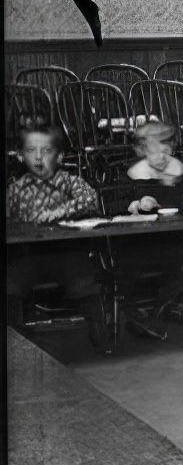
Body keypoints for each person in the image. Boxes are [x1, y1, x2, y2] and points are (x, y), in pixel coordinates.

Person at [107, 120, 183, 340]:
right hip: (136, 245)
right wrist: (137, 203)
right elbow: (111, 205)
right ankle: (133, 313)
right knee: (124, 267)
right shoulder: (131, 174)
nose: (161, 155)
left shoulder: (178, 172)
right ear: (141, 150)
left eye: (166, 149)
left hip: (174, 242)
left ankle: (157, 311)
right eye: (153, 149)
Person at [5, 122, 104, 340]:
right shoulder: (16, 190)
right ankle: (15, 339)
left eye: (46, 151)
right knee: (9, 282)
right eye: (31, 151)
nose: (39, 157)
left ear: (59, 157)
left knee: (83, 279)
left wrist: (61, 210)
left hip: (66, 252)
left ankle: (100, 333)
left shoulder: (68, 182)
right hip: (28, 256)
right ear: (21, 156)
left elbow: (90, 199)